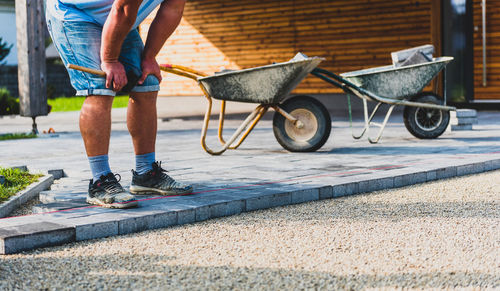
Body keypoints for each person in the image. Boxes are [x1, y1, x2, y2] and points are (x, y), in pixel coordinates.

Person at [45, 0, 193, 208]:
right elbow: (123, 9)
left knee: (147, 82)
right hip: (77, 14)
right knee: (99, 87)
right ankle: (100, 181)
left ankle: (145, 173)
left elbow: (173, 8)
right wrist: (110, 60)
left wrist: (150, 56)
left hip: (119, 17)